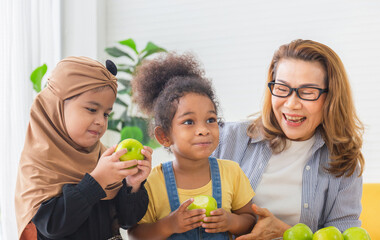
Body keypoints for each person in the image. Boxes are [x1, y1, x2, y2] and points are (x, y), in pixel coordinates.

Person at [212, 39, 365, 240]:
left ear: (330, 98)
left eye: (307, 92)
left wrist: (285, 233)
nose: (292, 104)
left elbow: (346, 235)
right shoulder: (227, 138)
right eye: (282, 89)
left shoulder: (343, 162)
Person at [15, 56, 152, 240]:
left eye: (106, 114)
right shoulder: (39, 165)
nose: (100, 121)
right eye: (91, 109)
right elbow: (52, 226)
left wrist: (132, 185)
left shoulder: (102, 158)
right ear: (56, 108)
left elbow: (127, 221)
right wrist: (97, 180)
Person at [127, 52, 256, 240]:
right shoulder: (153, 182)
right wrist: (169, 225)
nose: (203, 130)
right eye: (189, 122)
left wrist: (231, 222)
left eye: (210, 120)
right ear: (164, 136)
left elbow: (250, 220)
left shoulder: (232, 173)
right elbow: (135, 235)